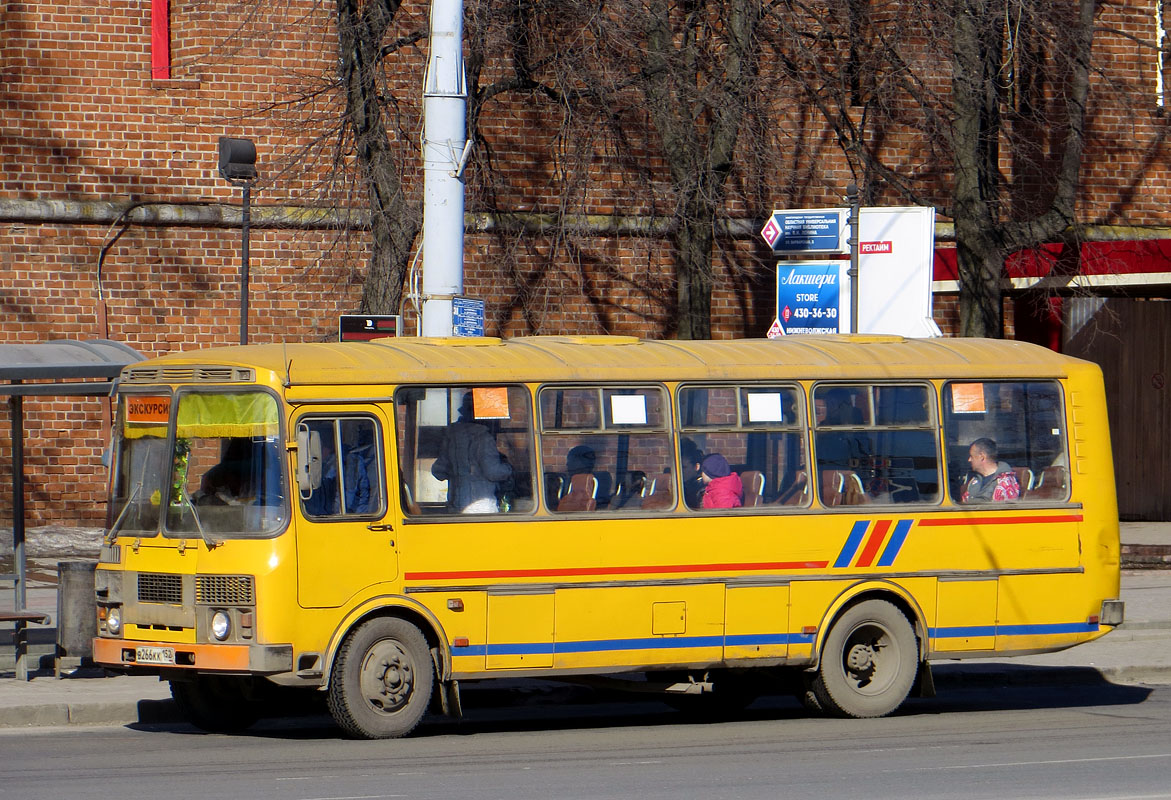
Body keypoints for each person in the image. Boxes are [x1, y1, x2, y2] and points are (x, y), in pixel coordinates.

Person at [431, 393, 513, 514]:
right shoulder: (483, 437)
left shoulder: (451, 436)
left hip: (456, 506)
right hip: (482, 506)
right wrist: (509, 468)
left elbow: (438, 471)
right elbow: (493, 472)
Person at [961, 437, 1020, 503]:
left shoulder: (1004, 483)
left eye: (971, 456)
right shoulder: (975, 480)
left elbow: (1003, 511)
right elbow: (964, 503)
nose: (969, 460)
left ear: (981, 457)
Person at [680, 437, 706, 509]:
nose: (681, 472)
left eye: (684, 467)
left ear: (696, 467)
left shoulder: (701, 489)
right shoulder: (680, 485)